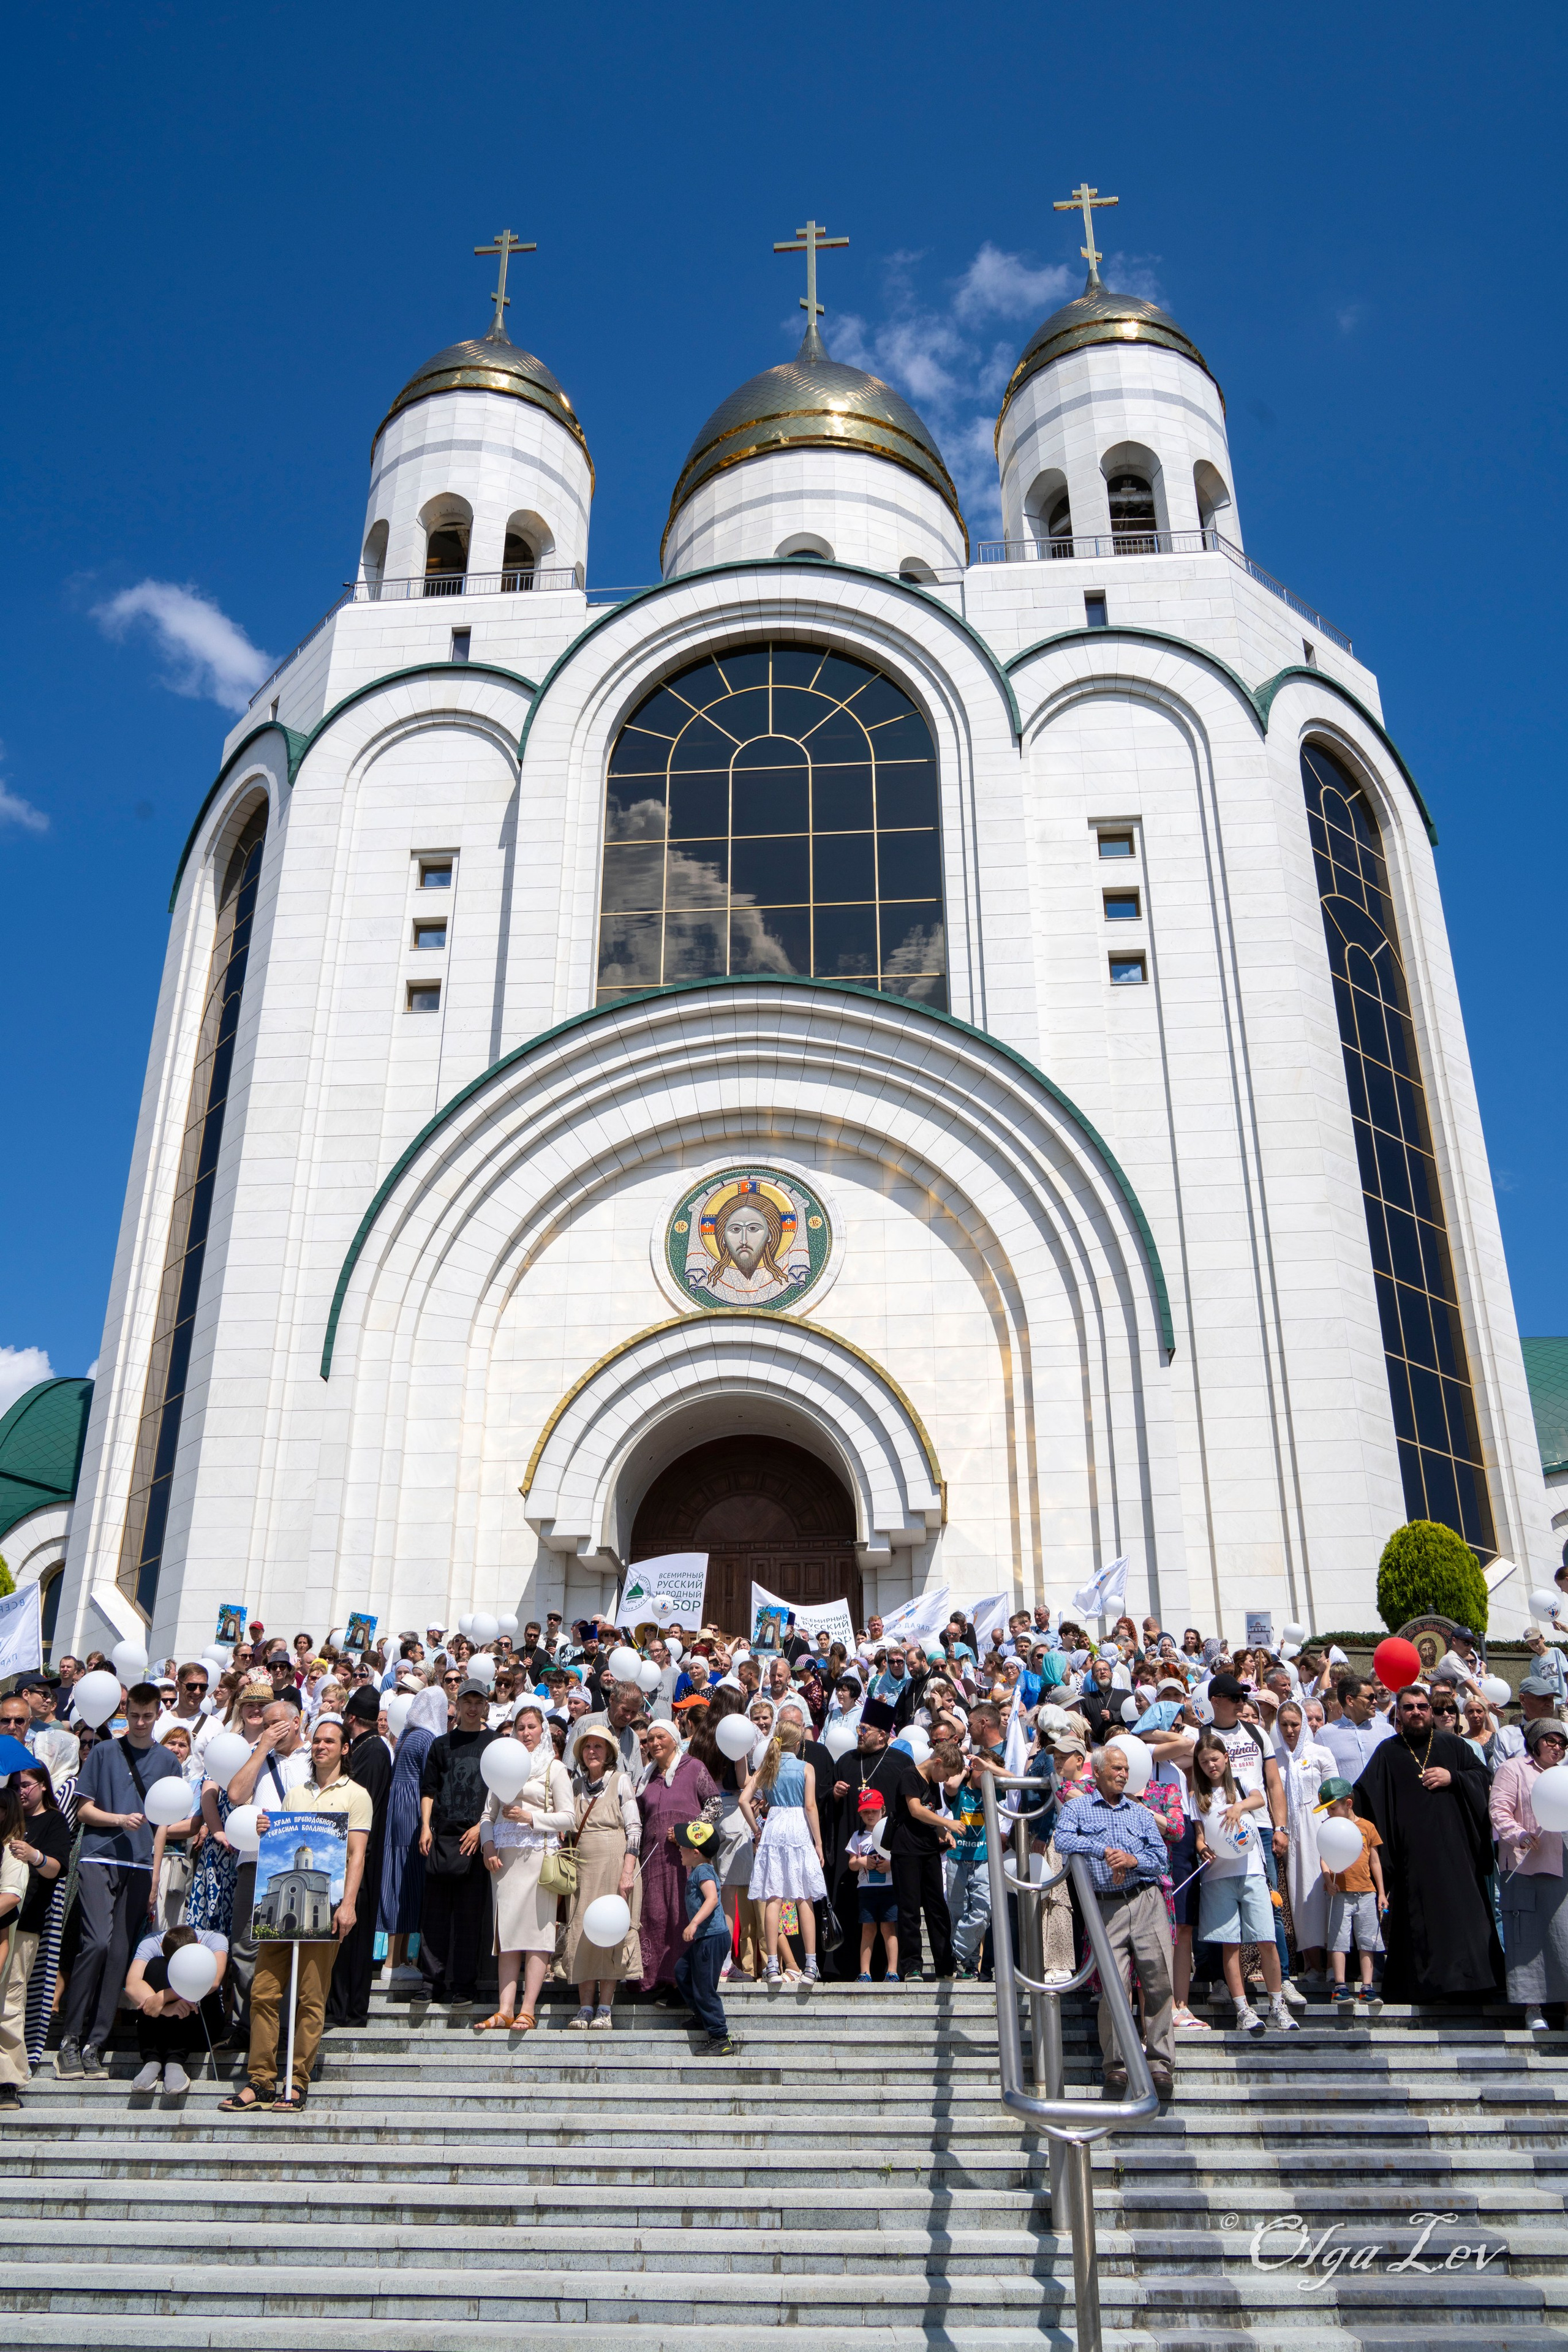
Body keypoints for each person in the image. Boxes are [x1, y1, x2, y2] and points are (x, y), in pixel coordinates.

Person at [219, 1714, 371, 2115]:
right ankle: (260, 2080)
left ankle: (297, 2080)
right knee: (265, 1993)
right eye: (317, 1741)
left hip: (325, 1904)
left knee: (310, 1996)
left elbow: (356, 1854)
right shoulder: (297, 1794)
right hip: (282, 1902)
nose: (321, 1747)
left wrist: (350, 1904)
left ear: (344, 1749)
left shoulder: (356, 1795)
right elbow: (283, 1841)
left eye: (329, 1742)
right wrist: (269, 1827)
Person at [55, 1680, 184, 2081]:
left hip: (140, 1868)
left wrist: (153, 1876)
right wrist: (119, 1820)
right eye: (135, 1715)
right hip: (98, 1858)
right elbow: (86, 1811)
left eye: (148, 1716)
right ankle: (69, 2040)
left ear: (158, 1714)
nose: (141, 1722)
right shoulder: (105, 1751)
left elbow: (162, 1825)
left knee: (118, 1956)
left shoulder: (168, 1762)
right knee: (94, 1944)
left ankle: (95, 2043)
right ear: (124, 1713)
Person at [1352, 1684, 1504, 2002]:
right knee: (1421, 1922)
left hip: (1457, 1850)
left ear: (1432, 1712)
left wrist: (1454, 1778)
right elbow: (1363, 1796)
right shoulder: (1388, 1751)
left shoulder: (1454, 1746)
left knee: (1464, 1915)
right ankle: (1427, 1988)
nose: (1417, 1713)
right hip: (1413, 1856)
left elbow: (1484, 1778)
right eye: (1409, 1708)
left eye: (1423, 1707)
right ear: (1400, 1712)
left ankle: (1471, 1986)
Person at [1054, 1740, 1177, 2100]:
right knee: (1113, 1987)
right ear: (1100, 1770)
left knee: (1159, 1981)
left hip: (1146, 1900)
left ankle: (1160, 2063)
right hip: (1105, 1906)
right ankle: (1117, 2066)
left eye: (1126, 1769)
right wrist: (1105, 1851)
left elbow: (1161, 1859)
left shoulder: (1140, 1812)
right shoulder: (1078, 1808)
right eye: (1117, 1769)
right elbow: (1062, 1839)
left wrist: (1132, 1861)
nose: (1124, 1774)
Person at [1188, 1726, 1297, 2038]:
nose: (1211, 1766)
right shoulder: (1197, 1796)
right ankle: (1243, 2009)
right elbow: (1199, 1836)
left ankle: (1277, 2005)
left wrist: (1238, 1806)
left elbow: (1259, 1799)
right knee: (1231, 1945)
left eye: (1216, 1759)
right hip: (1218, 1877)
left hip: (1251, 1872)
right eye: (1205, 1761)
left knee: (1266, 1939)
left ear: (1226, 1758)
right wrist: (1204, 1849)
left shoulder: (1242, 1782)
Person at [475, 1703, 574, 2034]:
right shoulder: (503, 1766)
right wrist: (487, 1845)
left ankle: (528, 2009)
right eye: (520, 1728)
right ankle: (504, 2009)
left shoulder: (554, 1769)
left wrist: (531, 1817)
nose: (526, 1733)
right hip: (503, 1860)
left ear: (543, 1730)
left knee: (536, 1936)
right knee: (506, 1936)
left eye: (532, 1727)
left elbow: (569, 1818)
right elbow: (487, 1816)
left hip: (539, 1859)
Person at [418, 1679, 499, 2010]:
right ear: (458, 1703)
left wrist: (483, 1828)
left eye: (478, 1701)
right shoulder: (441, 1744)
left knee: (469, 1918)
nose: (471, 1707)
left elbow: (501, 1791)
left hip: (477, 1838)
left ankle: (464, 1986)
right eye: (466, 1700)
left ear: (485, 1706)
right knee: (434, 1916)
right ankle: (430, 1983)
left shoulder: (495, 1744)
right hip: (442, 1837)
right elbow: (429, 1788)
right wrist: (425, 1826)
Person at [1490, 1717, 1568, 2031]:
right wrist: (1519, 1835)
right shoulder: (1513, 1769)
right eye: (1550, 1740)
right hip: (1525, 1866)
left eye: (1562, 1742)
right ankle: (1532, 2008)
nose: (1557, 1746)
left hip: (1562, 1867)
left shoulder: (1565, 1776)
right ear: (1535, 1742)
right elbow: (1499, 1809)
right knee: (1527, 1942)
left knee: (1564, 1940)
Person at [562, 1723, 641, 2028]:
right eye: (587, 1746)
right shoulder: (576, 1786)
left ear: (608, 1752)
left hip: (614, 1861)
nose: (592, 1751)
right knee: (582, 1929)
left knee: (611, 1931)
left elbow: (634, 1828)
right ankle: (584, 2007)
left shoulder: (621, 1782)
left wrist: (627, 1871)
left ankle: (605, 2008)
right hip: (583, 1866)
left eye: (598, 1746)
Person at [739, 1719, 827, 1989]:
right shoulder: (806, 1767)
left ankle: (772, 1965)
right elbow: (811, 1806)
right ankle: (811, 1965)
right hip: (799, 1826)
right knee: (805, 1898)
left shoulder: (768, 1767)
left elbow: (745, 1799)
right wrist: (819, 1843)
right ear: (798, 1743)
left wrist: (757, 1830)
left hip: (775, 1826)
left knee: (773, 1897)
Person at [325, 1683, 393, 2028]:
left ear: (350, 1717)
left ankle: (347, 2010)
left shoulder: (371, 1752)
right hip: (359, 1852)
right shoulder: (374, 1748)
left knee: (351, 1935)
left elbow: (354, 1805)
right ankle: (343, 2007)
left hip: (360, 1854)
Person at [636, 1721, 718, 1998]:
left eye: (661, 1737)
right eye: (650, 1739)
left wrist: (689, 1832)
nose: (655, 1743)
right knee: (655, 1914)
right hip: (653, 1859)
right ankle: (653, 1980)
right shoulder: (645, 1778)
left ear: (674, 1740)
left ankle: (680, 1983)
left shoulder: (693, 1767)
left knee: (682, 1913)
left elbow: (715, 1804)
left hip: (686, 1860)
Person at [379, 1687, 447, 1993]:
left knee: (399, 1881)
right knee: (407, 1884)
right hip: (412, 1813)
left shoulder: (407, 1735)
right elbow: (429, 1783)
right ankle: (394, 1963)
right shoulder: (426, 1738)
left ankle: (399, 1959)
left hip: (397, 1810)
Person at [125, 1920, 229, 2095]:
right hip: (162, 2024)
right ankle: (153, 2059)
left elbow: (213, 1982)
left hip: (202, 2021)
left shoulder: (215, 1940)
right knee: (156, 1966)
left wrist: (164, 1996)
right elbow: (132, 1985)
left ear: (199, 1944)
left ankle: (175, 2060)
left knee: (198, 1971)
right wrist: (166, 2008)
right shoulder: (152, 1942)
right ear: (161, 1945)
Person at [1273, 1698, 1337, 1981]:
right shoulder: (1273, 1757)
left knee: (1327, 1892)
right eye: (1284, 1725)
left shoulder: (1321, 1753)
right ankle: (1312, 1963)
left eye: (1295, 1724)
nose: (1290, 1730)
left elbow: (1334, 1794)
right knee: (1302, 1898)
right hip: (1292, 1833)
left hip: (1320, 1826)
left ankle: (1336, 1961)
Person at [887, 1738, 960, 1983]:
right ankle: (911, 1967)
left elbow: (932, 1815)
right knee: (909, 1910)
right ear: (937, 1762)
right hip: (906, 1850)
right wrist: (948, 1823)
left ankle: (945, 1965)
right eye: (946, 1774)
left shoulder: (933, 1781)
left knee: (937, 1908)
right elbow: (916, 1809)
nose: (945, 1780)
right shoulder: (910, 1775)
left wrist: (944, 1833)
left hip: (928, 1850)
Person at [1316, 1777, 1386, 2011]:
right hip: (1340, 1893)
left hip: (1366, 1892)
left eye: (1332, 1808)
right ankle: (1340, 1985)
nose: (1330, 1813)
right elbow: (1324, 1857)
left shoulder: (1367, 1827)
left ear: (1348, 1803)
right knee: (1338, 1939)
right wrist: (1328, 1880)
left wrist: (1382, 1892)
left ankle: (1367, 1986)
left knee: (1368, 1940)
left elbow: (1375, 1860)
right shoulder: (1329, 1827)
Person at [672, 1818, 735, 2054]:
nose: (680, 1848)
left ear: (696, 1853)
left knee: (705, 1987)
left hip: (712, 1938)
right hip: (707, 1938)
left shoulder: (704, 1872)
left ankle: (720, 2037)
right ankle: (701, 2015)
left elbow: (712, 1899)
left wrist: (694, 1924)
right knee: (682, 1971)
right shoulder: (700, 1869)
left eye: (684, 1845)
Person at [847, 1790, 899, 1982]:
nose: (870, 1815)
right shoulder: (858, 1836)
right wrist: (861, 1862)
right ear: (860, 1814)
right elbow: (851, 1864)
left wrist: (889, 1865)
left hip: (889, 1888)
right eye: (865, 1812)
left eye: (874, 1811)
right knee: (868, 1930)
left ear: (883, 1811)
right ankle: (865, 1972)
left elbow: (900, 1859)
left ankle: (892, 1971)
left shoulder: (890, 1832)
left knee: (889, 1929)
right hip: (866, 1891)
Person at [1320, 1678, 1394, 1779]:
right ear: (1350, 1701)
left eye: (1375, 1697)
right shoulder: (1324, 1735)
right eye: (1370, 1698)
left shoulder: (1387, 1731)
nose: (1375, 1702)